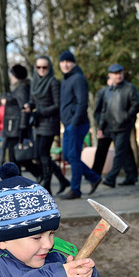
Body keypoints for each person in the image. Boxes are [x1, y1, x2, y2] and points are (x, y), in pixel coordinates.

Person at [58, 51, 102, 199]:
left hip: (77, 124)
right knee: (67, 155)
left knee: (73, 155)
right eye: (62, 61)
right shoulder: (65, 79)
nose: (65, 64)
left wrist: (74, 123)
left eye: (68, 61)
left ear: (74, 63)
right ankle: (94, 178)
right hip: (68, 124)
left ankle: (75, 189)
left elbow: (82, 102)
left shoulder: (78, 78)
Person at [29, 55, 71, 195]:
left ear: (49, 68)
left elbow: (57, 105)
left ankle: (47, 185)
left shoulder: (53, 82)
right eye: (39, 67)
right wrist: (29, 106)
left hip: (50, 122)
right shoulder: (34, 82)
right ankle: (62, 180)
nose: (41, 70)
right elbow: (34, 101)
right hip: (39, 123)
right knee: (41, 154)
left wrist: (40, 112)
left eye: (44, 67)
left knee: (43, 154)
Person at [96, 63, 139, 187]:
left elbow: (136, 105)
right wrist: (101, 127)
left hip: (124, 126)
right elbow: (104, 110)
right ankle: (131, 176)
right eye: (115, 74)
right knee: (125, 152)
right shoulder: (107, 91)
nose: (118, 76)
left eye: (120, 73)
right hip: (110, 127)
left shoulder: (129, 88)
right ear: (110, 75)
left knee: (119, 153)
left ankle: (110, 178)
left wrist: (126, 117)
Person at [4, 64, 42, 179]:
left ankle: (38, 174)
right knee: (18, 158)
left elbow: (24, 110)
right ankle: (38, 174)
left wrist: (22, 129)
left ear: (15, 75)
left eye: (11, 74)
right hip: (13, 128)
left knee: (18, 158)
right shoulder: (17, 88)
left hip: (17, 129)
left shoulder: (21, 89)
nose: (10, 76)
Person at [91, 76, 115, 175]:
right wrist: (100, 127)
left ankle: (131, 174)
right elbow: (98, 111)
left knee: (125, 151)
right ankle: (95, 173)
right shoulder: (104, 92)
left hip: (117, 127)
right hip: (105, 127)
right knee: (101, 151)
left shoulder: (118, 92)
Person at [0, 97, 7, 165]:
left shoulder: (11, 107)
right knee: (3, 146)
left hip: (12, 130)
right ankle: (1, 161)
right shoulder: (0, 109)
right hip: (3, 129)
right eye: (2, 99)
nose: (4, 100)